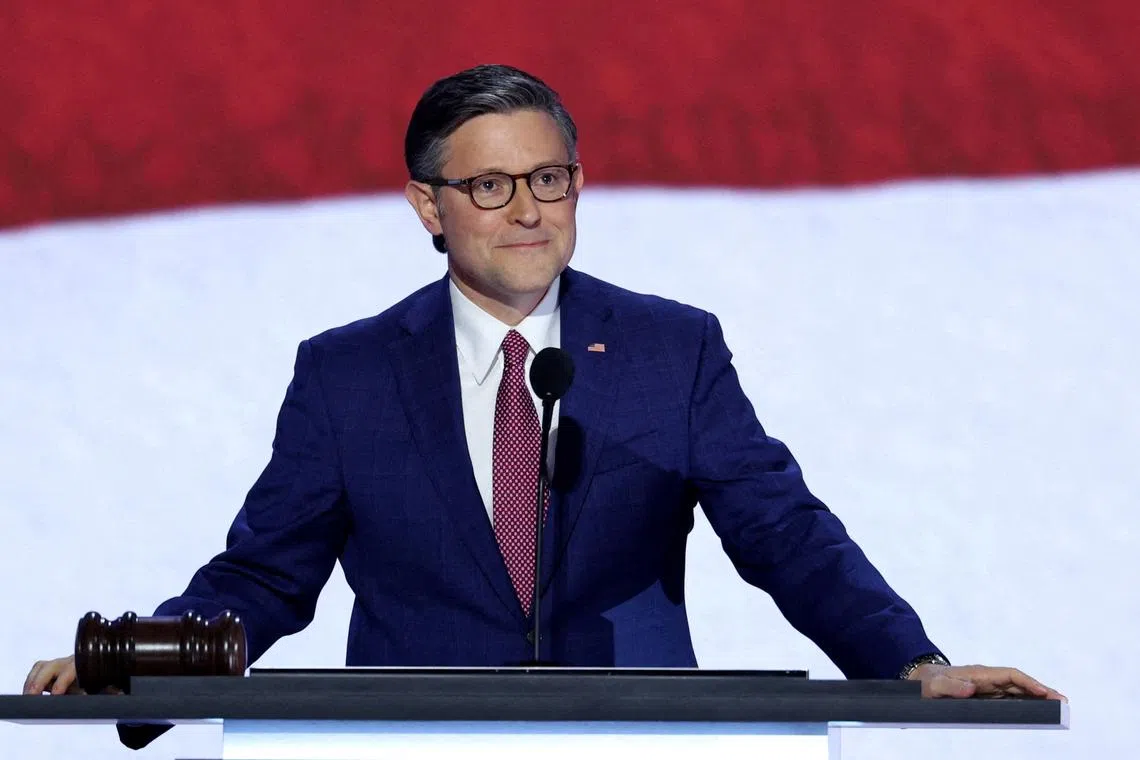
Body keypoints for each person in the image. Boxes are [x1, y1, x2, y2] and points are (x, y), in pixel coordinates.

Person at [24, 64, 1063, 702]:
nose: (529, 208)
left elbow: (786, 535)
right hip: (404, 749)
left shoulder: (672, 349)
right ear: (427, 206)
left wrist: (915, 662)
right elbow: (263, 578)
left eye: (549, 177)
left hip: (643, 743)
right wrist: (134, 660)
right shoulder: (347, 374)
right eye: (489, 184)